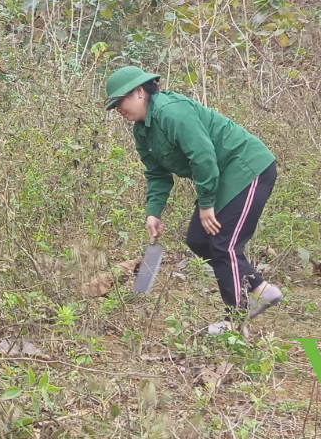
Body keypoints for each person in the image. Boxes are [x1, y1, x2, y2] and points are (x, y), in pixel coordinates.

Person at [104, 65, 282, 334]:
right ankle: (259, 289)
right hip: (221, 176)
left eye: (120, 101)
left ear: (140, 92)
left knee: (225, 244)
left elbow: (203, 156)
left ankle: (235, 321)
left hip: (247, 169)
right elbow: (157, 174)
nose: (118, 109)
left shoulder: (171, 111)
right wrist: (154, 212)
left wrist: (207, 204)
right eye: (114, 105)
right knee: (198, 240)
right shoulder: (142, 131)